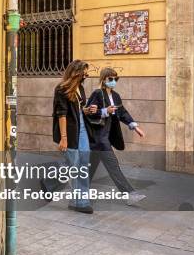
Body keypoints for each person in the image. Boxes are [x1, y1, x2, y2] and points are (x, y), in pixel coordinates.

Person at [87, 68, 146, 206]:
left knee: (87, 170)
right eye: (110, 79)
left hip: (105, 137)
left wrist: (135, 126)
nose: (113, 82)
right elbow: (88, 112)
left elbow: (123, 112)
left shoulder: (116, 95)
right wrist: (104, 111)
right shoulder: (97, 94)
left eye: (115, 79)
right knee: (113, 165)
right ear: (103, 80)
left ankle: (51, 185)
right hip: (99, 138)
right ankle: (129, 194)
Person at [52, 60, 96, 214]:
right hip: (69, 131)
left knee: (83, 162)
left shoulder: (81, 88)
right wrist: (64, 138)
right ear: (75, 72)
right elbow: (62, 114)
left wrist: (87, 110)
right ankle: (80, 202)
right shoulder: (61, 89)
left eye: (86, 72)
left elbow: (78, 110)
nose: (86, 75)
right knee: (75, 165)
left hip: (82, 128)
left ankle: (52, 183)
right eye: (84, 72)